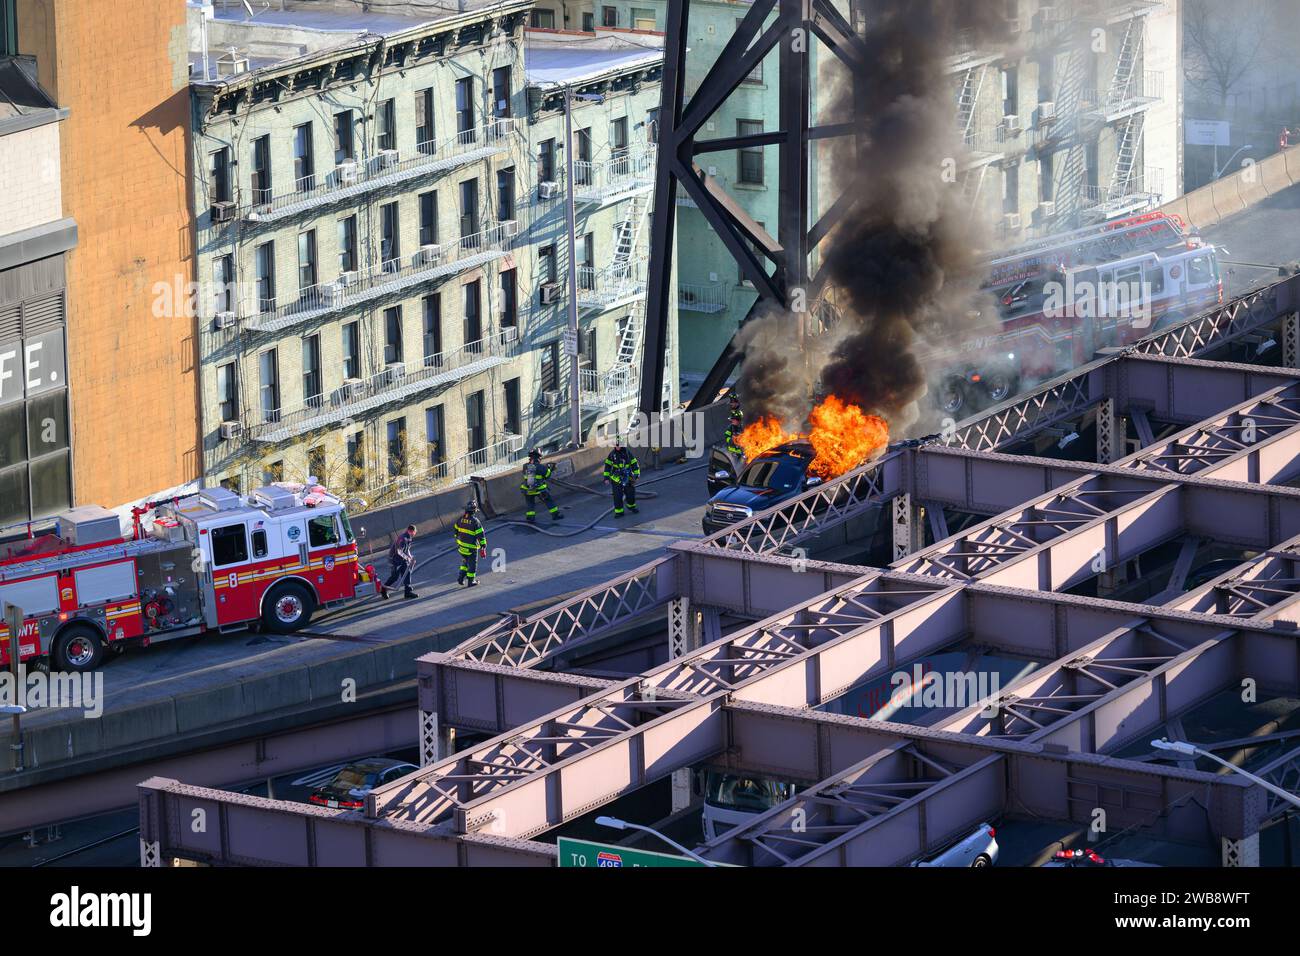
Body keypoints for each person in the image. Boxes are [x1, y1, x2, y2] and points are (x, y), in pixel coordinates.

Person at [520, 448, 563, 523]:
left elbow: (530, 475)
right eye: (540, 457)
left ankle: (530, 518)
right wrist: (549, 469)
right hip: (539, 490)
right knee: (549, 501)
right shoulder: (541, 467)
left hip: (528, 489)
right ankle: (555, 515)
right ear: (537, 457)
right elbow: (547, 475)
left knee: (530, 503)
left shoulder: (525, 466)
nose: (540, 459)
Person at [603, 439, 640, 518]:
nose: (617, 447)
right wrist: (606, 478)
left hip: (628, 477)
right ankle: (619, 512)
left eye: (619, 445)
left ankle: (631, 507)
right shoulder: (612, 454)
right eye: (616, 445)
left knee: (630, 494)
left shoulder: (628, 453)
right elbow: (607, 466)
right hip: (616, 478)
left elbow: (634, 463)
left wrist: (636, 474)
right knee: (617, 496)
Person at [380, 524, 418, 600]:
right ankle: (383, 589)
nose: (415, 533)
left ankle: (407, 592)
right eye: (414, 532)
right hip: (395, 560)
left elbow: (407, 550)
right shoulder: (402, 538)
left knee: (407, 573)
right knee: (394, 577)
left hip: (402, 560)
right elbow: (399, 551)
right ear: (410, 531)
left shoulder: (409, 538)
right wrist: (407, 558)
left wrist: (410, 558)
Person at [455, 500, 488, 587]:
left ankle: (460, 578)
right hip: (471, 548)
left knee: (465, 563)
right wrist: (483, 546)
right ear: (474, 511)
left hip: (461, 548)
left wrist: (459, 540)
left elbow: (456, 531)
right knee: (472, 564)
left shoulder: (460, 519)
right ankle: (471, 581)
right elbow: (480, 535)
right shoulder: (475, 521)